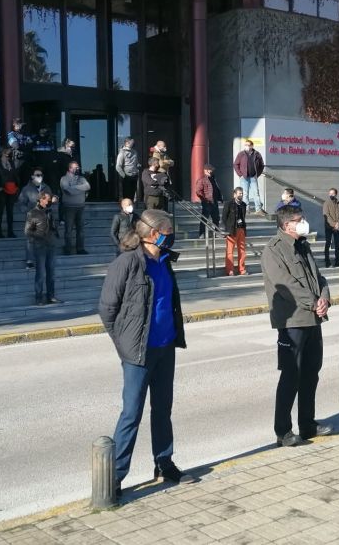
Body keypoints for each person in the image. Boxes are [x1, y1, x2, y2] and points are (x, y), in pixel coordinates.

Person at [99, 209, 193, 498]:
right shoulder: (127, 262)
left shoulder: (164, 260)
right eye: (167, 231)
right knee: (131, 413)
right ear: (154, 233)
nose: (171, 235)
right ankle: (114, 477)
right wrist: (124, 344)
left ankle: (164, 463)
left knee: (163, 409)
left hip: (165, 348)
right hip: (138, 353)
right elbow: (107, 309)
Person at [262, 205, 334, 447]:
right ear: (286, 225)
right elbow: (286, 285)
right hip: (292, 321)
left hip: (313, 319)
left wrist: (324, 299)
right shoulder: (274, 250)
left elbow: (319, 278)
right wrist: (313, 302)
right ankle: (283, 431)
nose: (304, 222)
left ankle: (308, 424)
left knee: (311, 374)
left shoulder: (303, 245)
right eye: (299, 219)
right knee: (291, 376)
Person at [25, 191, 61, 306]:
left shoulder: (49, 210)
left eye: (49, 199)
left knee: (51, 273)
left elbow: (52, 224)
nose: (49, 201)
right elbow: (27, 231)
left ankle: (51, 296)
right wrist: (40, 236)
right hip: (40, 246)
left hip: (51, 245)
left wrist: (55, 234)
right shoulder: (32, 213)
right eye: (47, 199)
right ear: (41, 199)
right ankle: (39, 298)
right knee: (40, 273)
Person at [18, 168, 56, 269]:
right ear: (32, 177)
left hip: (45, 217)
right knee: (30, 240)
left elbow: (50, 201)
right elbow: (21, 203)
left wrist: (51, 203)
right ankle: (30, 260)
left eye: (41, 175)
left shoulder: (46, 187)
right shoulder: (26, 189)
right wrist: (28, 211)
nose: (40, 177)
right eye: (37, 175)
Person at [0, 147, 21, 238]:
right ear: (3, 152)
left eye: (10, 152)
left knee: (10, 211)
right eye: (7, 152)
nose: (9, 154)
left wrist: (17, 186)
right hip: (1, 190)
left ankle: (10, 232)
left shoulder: (11, 162)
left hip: (11, 189)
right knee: (0, 211)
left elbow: (14, 175)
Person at [59, 161, 90, 255]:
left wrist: (74, 187)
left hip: (81, 207)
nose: (77, 169)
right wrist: (81, 189)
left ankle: (80, 249)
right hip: (69, 207)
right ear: (70, 168)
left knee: (81, 230)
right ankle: (68, 249)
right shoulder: (64, 179)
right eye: (75, 167)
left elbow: (88, 186)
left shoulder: (82, 178)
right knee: (68, 230)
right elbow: (69, 191)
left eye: (78, 167)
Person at [234, 139, 266, 216]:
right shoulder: (241, 154)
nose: (247, 146)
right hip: (244, 177)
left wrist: (257, 174)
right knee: (245, 194)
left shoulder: (257, 154)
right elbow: (236, 164)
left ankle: (258, 209)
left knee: (256, 193)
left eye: (248, 145)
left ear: (252, 146)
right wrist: (240, 175)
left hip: (253, 177)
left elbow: (261, 165)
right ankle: (246, 209)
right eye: (246, 145)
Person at [222, 187, 248, 276]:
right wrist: (228, 228)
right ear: (234, 194)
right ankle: (230, 270)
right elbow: (224, 218)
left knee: (242, 251)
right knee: (230, 251)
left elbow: (243, 217)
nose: (241, 195)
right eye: (239, 193)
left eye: (242, 193)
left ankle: (242, 269)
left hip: (241, 229)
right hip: (232, 230)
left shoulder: (243, 205)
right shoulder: (229, 204)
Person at [194, 164, 222, 238]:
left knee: (216, 218)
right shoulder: (202, 180)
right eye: (210, 169)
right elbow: (198, 191)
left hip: (214, 201)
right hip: (207, 202)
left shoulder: (213, 179)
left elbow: (216, 189)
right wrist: (204, 199)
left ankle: (216, 232)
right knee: (205, 218)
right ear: (206, 170)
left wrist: (220, 198)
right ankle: (202, 233)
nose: (211, 171)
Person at [322, 188, 339, 268]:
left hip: (337, 227)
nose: (331, 195)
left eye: (333, 193)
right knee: (328, 243)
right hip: (329, 227)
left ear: (336, 194)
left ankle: (337, 261)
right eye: (330, 193)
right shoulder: (326, 203)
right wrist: (335, 224)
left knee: (337, 244)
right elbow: (326, 215)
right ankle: (327, 261)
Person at [116, 137, 140, 202]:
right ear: (127, 143)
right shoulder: (122, 152)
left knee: (132, 195)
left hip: (134, 176)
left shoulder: (135, 152)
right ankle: (125, 208)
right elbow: (118, 166)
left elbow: (136, 163)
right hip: (126, 176)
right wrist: (124, 176)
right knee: (126, 196)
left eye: (133, 142)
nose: (133, 143)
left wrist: (138, 166)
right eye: (132, 142)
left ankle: (131, 207)